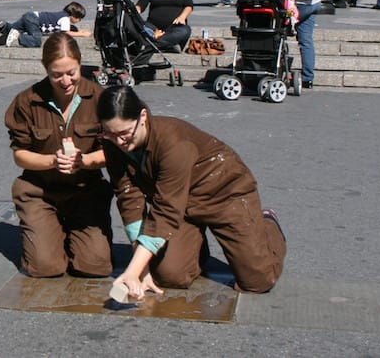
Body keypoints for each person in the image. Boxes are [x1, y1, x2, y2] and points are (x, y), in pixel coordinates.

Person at [99, 86, 286, 298]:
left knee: (258, 281)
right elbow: (128, 198)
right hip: (182, 203)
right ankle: (195, 244)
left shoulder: (173, 142)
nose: (119, 142)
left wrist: (132, 271)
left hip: (224, 193)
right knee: (170, 275)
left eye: (124, 133)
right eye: (110, 134)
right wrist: (141, 269)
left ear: (142, 116)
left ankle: (267, 224)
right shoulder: (112, 141)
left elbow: (165, 212)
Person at [3, 32, 113, 278]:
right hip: (40, 191)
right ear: (45, 69)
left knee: (95, 266)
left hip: (86, 190)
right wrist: (52, 161)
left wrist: (84, 161)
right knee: (45, 267)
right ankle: (47, 229)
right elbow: (20, 155)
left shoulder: (100, 98)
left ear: (80, 63)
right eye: (57, 74)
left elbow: (113, 151)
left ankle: (69, 231)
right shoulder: (27, 101)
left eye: (71, 72)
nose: (65, 81)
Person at [0, 1, 89, 47]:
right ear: (73, 15)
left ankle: (3, 26)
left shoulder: (61, 15)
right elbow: (66, 33)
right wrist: (82, 34)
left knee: (13, 28)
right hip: (35, 21)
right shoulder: (65, 19)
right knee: (36, 40)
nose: (79, 21)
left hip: (30, 16)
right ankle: (18, 36)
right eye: (79, 18)